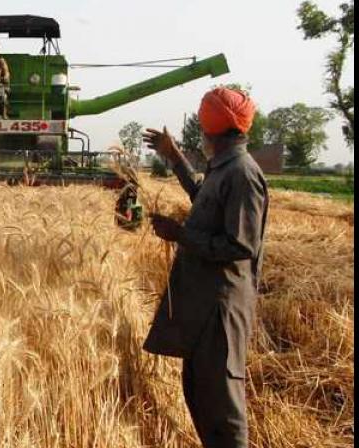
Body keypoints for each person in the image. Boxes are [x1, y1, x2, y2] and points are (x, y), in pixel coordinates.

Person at [141, 87, 269, 448]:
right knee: (199, 393)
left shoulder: (242, 174)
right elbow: (204, 197)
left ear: (209, 127)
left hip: (221, 310)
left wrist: (180, 234)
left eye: (201, 120)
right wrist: (175, 157)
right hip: (204, 308)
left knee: (223, 410)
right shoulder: (224, 169)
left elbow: (241, 245)